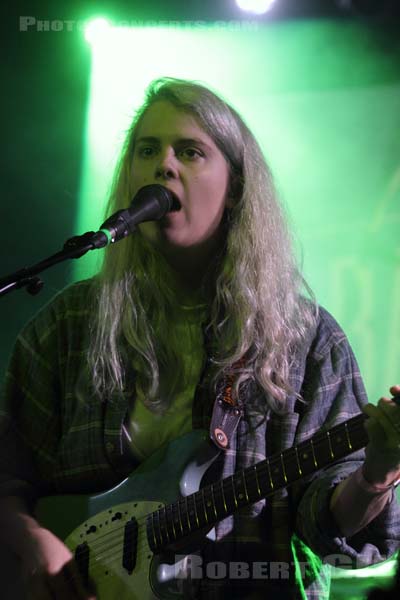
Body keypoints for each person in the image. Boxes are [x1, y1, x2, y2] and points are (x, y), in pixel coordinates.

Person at [0, 77, 400, 600]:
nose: (163, 166)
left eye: (190, 151)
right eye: (148, 150)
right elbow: (9, 471)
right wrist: (30, 539)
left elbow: (328, 528)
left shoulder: (306, 339)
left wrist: (375, 475)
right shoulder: (66, 327)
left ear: (234, 187)